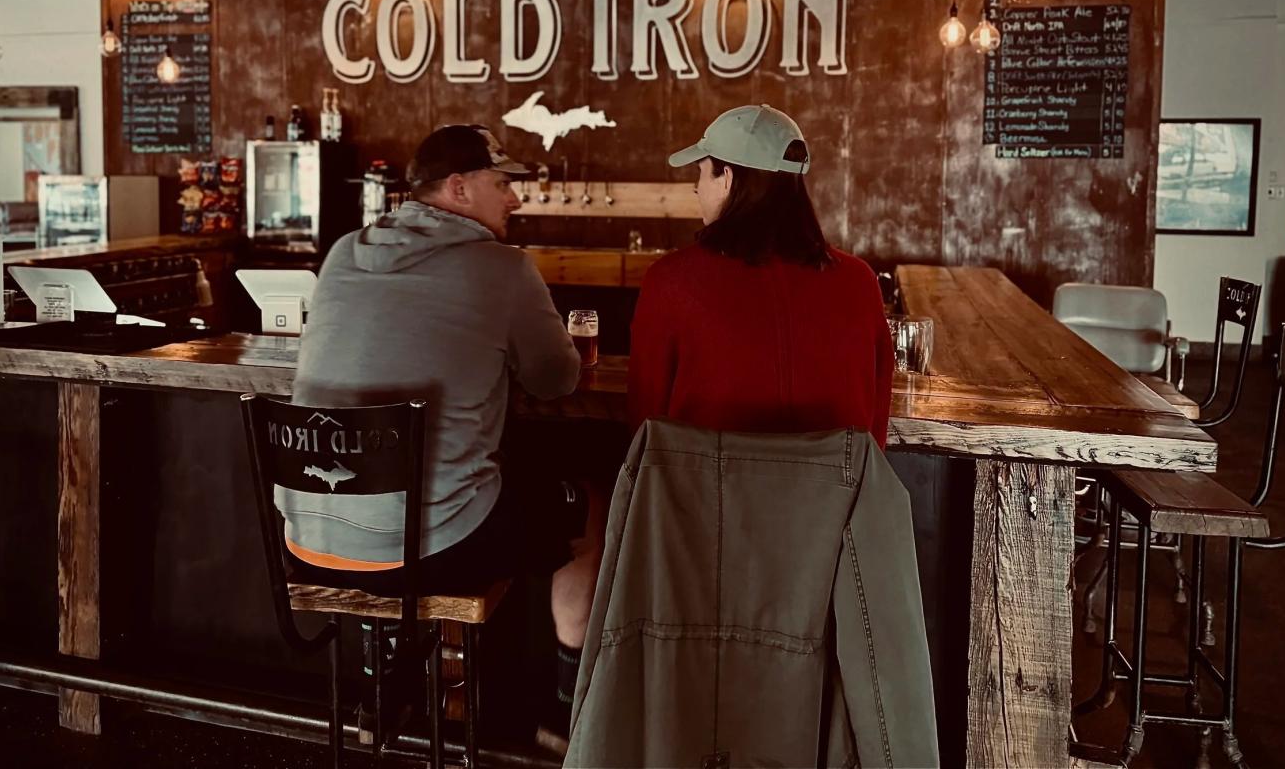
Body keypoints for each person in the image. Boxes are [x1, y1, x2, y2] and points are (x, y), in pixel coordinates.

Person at [288, 123, 600, 747]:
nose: (514, 199)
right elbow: (556, 379)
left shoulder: (344, 250)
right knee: (590, 513)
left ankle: (388, 679)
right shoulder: (503, 268)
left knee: (412, 501)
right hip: (431, 552)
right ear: (459, 188)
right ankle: (569, 718)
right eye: (503, 183)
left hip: (309, 544)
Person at [628, 104, 893, 445]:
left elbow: (644, 424)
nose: (696, 188)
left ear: (727, 178)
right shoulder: (859, 281)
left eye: (701, 172)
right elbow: (874, 428)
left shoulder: (670, 280)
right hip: (833, 497)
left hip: (701, 497)